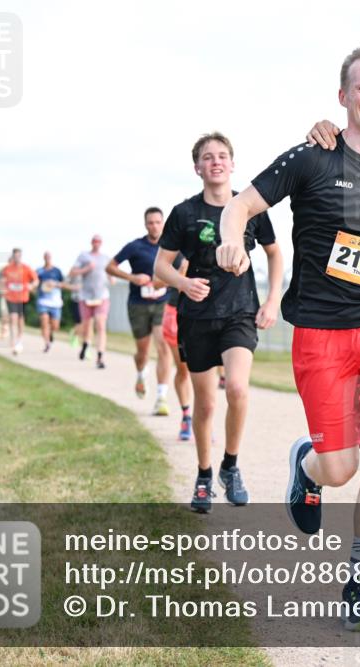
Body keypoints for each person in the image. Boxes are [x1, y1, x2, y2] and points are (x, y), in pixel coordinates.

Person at [217, 44, 360, 632]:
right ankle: (307, 468)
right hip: (322, 335)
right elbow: (242, 205)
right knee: (340, 469)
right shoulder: (310, 156)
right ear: (342, 96)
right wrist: (232, 240)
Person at [155, 132, 283, 514]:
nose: (216, 162)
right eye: (208, 157)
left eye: (222, 156)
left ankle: (231, 464)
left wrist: (273, 300)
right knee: (206, 406)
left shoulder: (251, 208)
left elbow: (276, 256)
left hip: (241, 311)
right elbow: (160, 266)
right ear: (197, 167)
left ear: (232, 163)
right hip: (196, 316)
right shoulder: (184, 213)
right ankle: (204, 474)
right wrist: (182, 282)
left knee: (239, 389)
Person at [108, 207, 174, 415]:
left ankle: (161, 398)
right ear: (145, 225)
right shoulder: (135, 246)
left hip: (163, 303)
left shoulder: (172, 246)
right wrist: (133, 278)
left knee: (162, 346)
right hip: (138, 304)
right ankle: (141, 373)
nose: (154, 226)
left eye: (158, 222)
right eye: (150, 223)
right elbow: (110, 266)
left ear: (163, 223)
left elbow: (184, 269)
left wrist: (164, 282)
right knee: (142, 352)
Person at [158, 252, 194, 441]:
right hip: (176, 313)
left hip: (205, 312)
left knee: (205, 370)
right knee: (184, 369)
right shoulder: (172, 251)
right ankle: (186, 415)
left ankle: (203, 418)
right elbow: (156, 283)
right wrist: (179, 276)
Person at [70, 235, 111, 369]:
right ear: (91, 243)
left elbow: (111, 273)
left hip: (102, 296)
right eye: (94, 241)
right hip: (86, 296)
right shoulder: (83, 256)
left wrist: (112, 278)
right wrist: (86, 269)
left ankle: (100, 357)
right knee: (86, 326)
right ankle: (86, 344)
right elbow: (72, 272)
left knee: (100, 324)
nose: (96, 244)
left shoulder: (105, 258)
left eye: (99, 242)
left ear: (101, 243)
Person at [0, 248, 39, 355]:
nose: (17, 258)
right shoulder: (7, 269)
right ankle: (13, 339)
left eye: (18, 256)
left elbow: (36, 280)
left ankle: (19, 339)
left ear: (21, 256)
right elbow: (0, 280)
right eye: (15, 256)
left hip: (22, 297)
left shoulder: (26, 268)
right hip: (10, 297)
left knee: (20, 319)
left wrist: (31, 285)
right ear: (13, 256)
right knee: (13, 317)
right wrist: (2, 286)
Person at [35, 252, 66, 353]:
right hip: (43, 301)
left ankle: (51, 333)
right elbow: (34, 283)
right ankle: (47, 343)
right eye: (46, 257)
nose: (47, 258)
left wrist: (54, 284)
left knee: (55, 326)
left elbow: (63, 284)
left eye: (49, 257)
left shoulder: (57, 271)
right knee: (44, 322)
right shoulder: (39, 271)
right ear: (44, 258)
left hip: (55, 302)